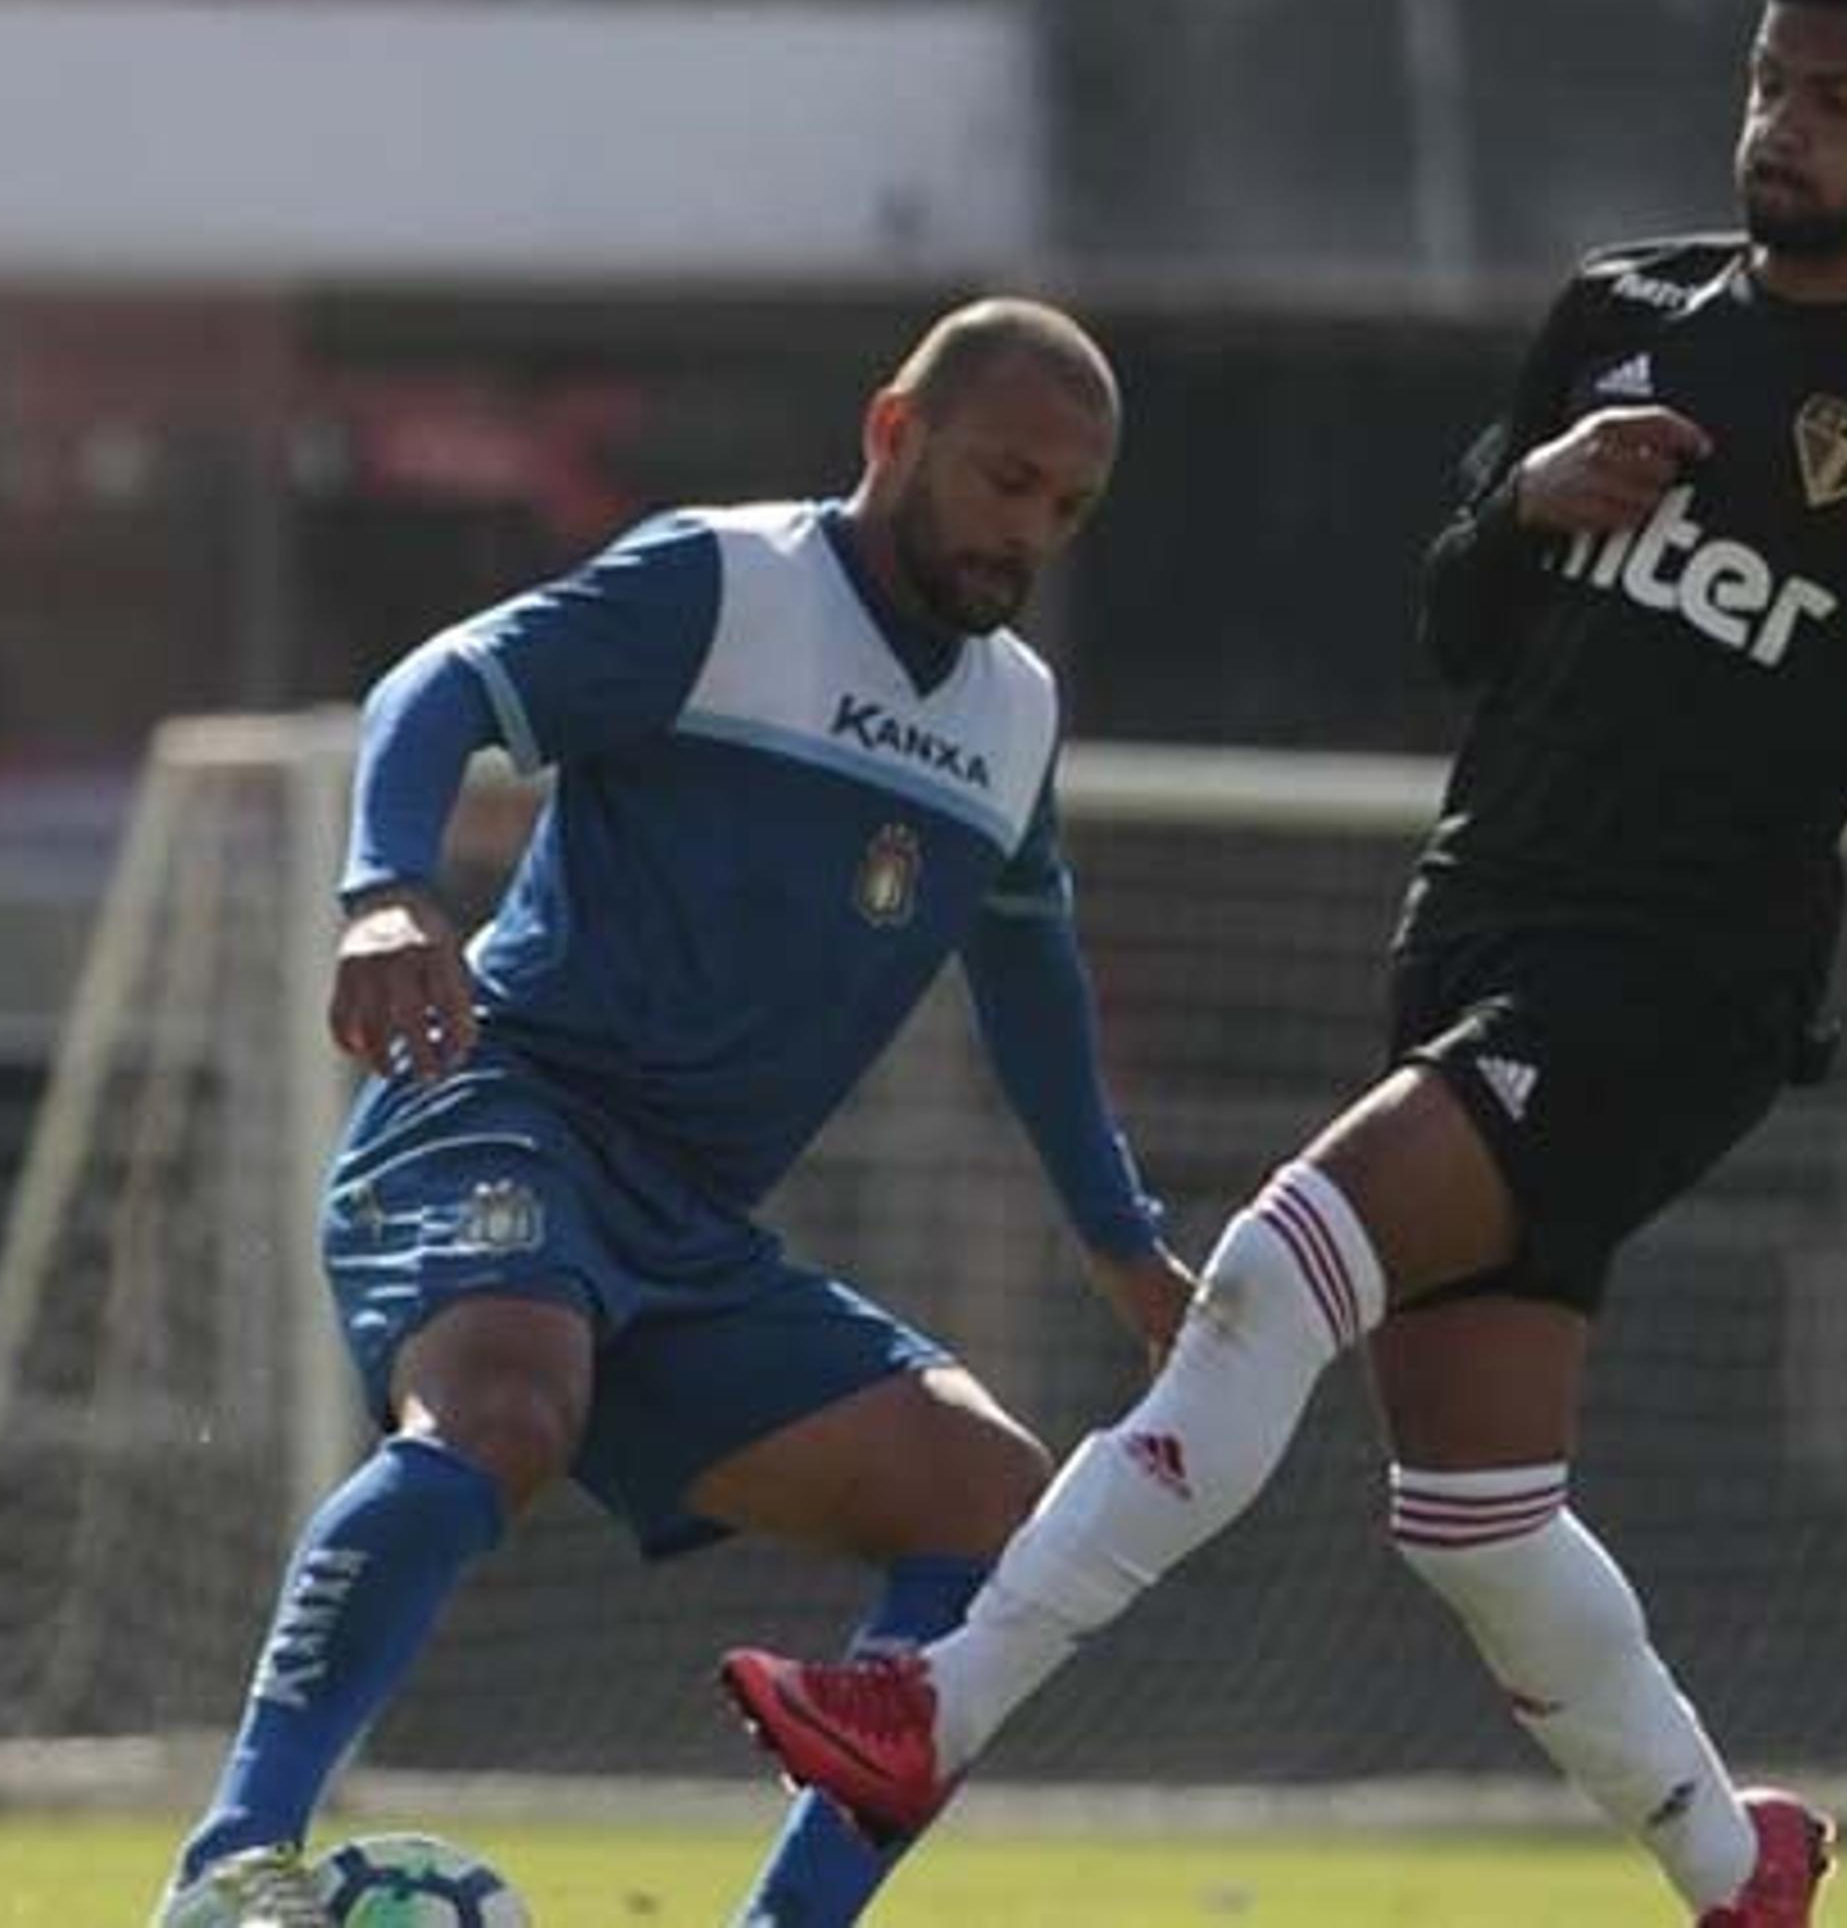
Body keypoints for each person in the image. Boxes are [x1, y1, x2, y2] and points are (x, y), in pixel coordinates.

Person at [719, 0, 1847, 1927]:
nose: (1784, 130)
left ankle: (927, 1707)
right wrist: (1531, 495)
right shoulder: (1620, 310)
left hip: (1675, 980)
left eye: (1840, 103)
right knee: (1475, 1508)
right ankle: (1745, 1869)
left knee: (1271, 1276)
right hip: (1480, 934)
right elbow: (1454, 618)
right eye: (1768, 84)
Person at [156, 299, 1195, 1928]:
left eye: (1069, 508)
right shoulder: (726, 582)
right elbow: (439, 689)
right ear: (894, 433)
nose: (1028, 533)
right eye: (1005, 479)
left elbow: (1033, 985)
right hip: (503, 1103)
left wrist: (1123, 1238)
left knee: (990, 1502)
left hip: (687, 1225)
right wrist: (385, 890)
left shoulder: (1015, 713)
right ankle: (226, 1871)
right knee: (501, 1415)